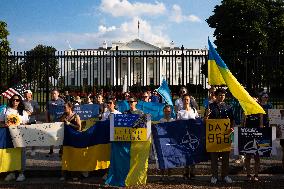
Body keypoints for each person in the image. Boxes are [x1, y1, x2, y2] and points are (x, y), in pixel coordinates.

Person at [204, 88, 234, 184]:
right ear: (216, 96)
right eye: (220, 95)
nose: (222, 97)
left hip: (225, 136)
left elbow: (232, 120)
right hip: (213, 137)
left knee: (225, 157)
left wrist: (232, 128)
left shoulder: (228, 107)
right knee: (214, 158)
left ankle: (225, 175)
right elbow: (205, 121)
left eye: (224, 95)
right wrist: (207, 116)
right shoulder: (210, 106)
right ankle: (214, 176)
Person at [0, 94, 30, 182]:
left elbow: (27, 124)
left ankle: (21, 173)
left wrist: (22, 125)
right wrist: (5, 125)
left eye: (17, 100)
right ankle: (11, 172)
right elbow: (0, 122)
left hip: (20, 135)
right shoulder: (5, 110)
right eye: (13, 100)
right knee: (10, 153)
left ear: (20, 101)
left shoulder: (23, 112)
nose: (15, 102)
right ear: (11, 100)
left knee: (21, 153)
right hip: (8, 135)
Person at [176, 94, 199, 180]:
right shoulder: (180, 112)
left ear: (190, 100)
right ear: (182, 101)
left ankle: (192, 172)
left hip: (193, 136)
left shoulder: (194, 110)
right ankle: (185, 172)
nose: (186, 101)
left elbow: (198, 121)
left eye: (187, 99)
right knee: (185, 154)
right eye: (185, 99)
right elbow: (177, 124)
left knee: (193, 154)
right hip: (184, 136)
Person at [242, 96, 263, 182]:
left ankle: (256, 174)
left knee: (257, 157)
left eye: (256, 100)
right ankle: (248, 174)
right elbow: (243, 124)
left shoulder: (260, 111)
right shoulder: (246, 111)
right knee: (248, 157)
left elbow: (261, 125)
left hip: (257, 136)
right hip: (248, 136)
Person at [59, 102, 82, 181]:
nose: (64, 109)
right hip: (65, 138)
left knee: (73, 156)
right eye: (63, 108)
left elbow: (79, 128)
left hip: (73, 139)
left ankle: (74, 174)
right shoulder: (63, 116)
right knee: (64, 156)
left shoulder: (76, 116)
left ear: (70, 108)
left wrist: (70, 124)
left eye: (65, 107)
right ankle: (64, 174)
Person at [46, 89, 65, 157]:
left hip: (60, 122)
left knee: (60, 136)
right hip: (52, 121)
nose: (53, 95)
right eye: (52, 93)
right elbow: (47, 112)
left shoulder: (62, 101)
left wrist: (63, 119)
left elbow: (64, 111)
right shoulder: (49, 102)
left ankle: (61, 150)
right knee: (51, 136)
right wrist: (47, 121)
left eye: (54, 93)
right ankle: (51, 151)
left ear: (58, 94)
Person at [159, 105, 175, 180]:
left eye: (168, 111)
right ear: (163, 112)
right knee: (163, 158)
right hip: (163, 142)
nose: (167, 112)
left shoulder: (173, 121)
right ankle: (162, 175)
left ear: (171, 112)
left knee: (170, 159)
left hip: (171, 142)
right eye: (166, 111)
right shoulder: (161, 120)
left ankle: (170, 175)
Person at [23, 90, 40, 156]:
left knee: (33, 135)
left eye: (26, 93)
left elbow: (38, 111)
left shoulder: (34, 102)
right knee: (25, 135)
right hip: (24, 121)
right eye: (25, 93)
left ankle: (33, 150)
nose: (25, 94)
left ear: (30, 94)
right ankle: (25, 149)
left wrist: (31, 114)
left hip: (32, 120)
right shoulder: (22, 102)